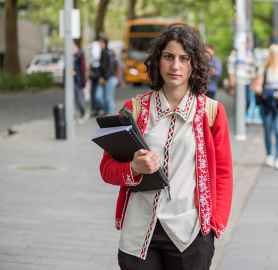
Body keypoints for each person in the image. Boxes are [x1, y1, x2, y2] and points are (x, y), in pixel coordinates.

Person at [99, 24, 233, 269]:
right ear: (157, 60)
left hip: (190, 234)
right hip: (139, 233)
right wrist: (134, 167)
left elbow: (223, 173)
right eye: (168, 57)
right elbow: (107, 169)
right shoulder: (134, 109)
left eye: (184, 58)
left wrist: (214, 224)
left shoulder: (212, 112)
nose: (175, 66)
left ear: (194, 64)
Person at [252, 44, 278, 170]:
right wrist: (266, 92)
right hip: (267, 103)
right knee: (268, 130)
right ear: (274, 56)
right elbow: (256, 87)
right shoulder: (263, 70)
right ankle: (269, 155)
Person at [97, 35, 119, 115]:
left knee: (108, 98)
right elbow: (102, 67)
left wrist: (105, 78)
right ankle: (107, 112)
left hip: (109, 78)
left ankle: (111, 115)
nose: (99, 44)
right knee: (101, 97)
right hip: (105, 78)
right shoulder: (103, 52)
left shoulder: (108, 53)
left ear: (104, 43)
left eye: (100, 42)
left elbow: (110, 67)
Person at [73, 40, 87, 122]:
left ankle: (83, 113)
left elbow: (83, 68)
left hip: (78, 80)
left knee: (79, 97)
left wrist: (83, 80)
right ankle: (77, 114)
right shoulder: (72, 55)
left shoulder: (79, 54)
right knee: (74, 98)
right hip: (73, 80)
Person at [89, 40, 103, 116]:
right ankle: (95, 109)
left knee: (97, 93)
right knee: (93, 92)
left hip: (98, 71)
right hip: (94, 71)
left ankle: (99, 108)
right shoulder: (95, 46)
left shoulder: (98, 48)